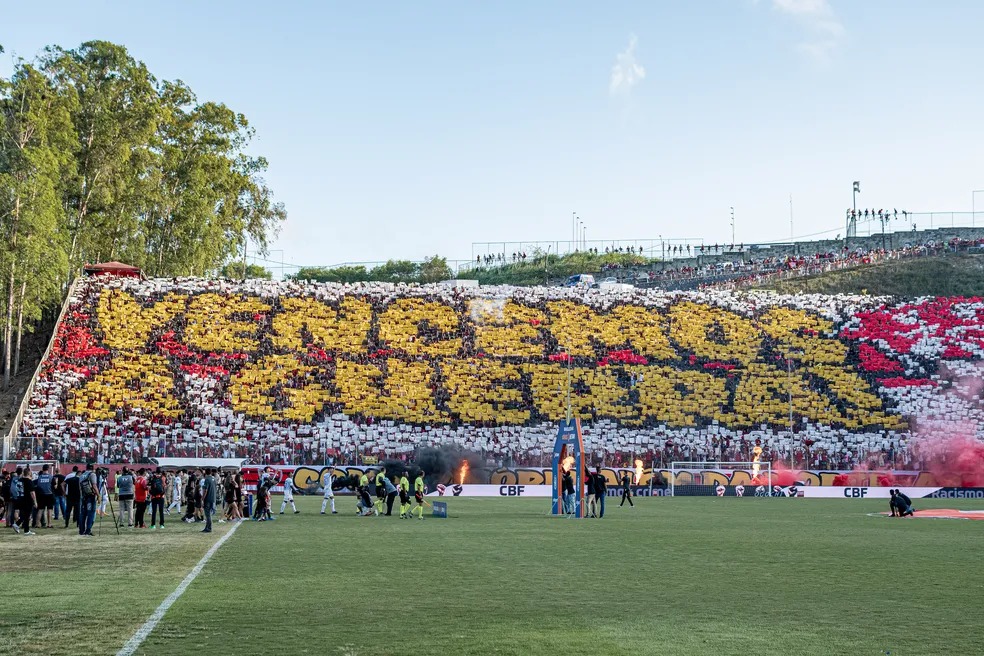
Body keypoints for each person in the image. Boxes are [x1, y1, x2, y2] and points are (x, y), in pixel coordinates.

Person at [78, 464, 98, 536]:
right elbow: (94, 485)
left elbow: (80, 487)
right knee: (91, 513)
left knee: (83, 514)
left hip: (83, 496)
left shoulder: (82, 475)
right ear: (92, 469)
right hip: (90, 496)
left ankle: (81, 530)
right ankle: (88, 530)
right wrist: (98, 495)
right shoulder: (92, 474)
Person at [201, 468, 216, 533]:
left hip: (208, 498)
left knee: (207, 514)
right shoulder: (214, 479)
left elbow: (205, 490)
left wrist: (202, 498)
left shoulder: (207, 479)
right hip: (213, 498)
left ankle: (209, 528)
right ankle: (207, 527)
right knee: (209, 513)